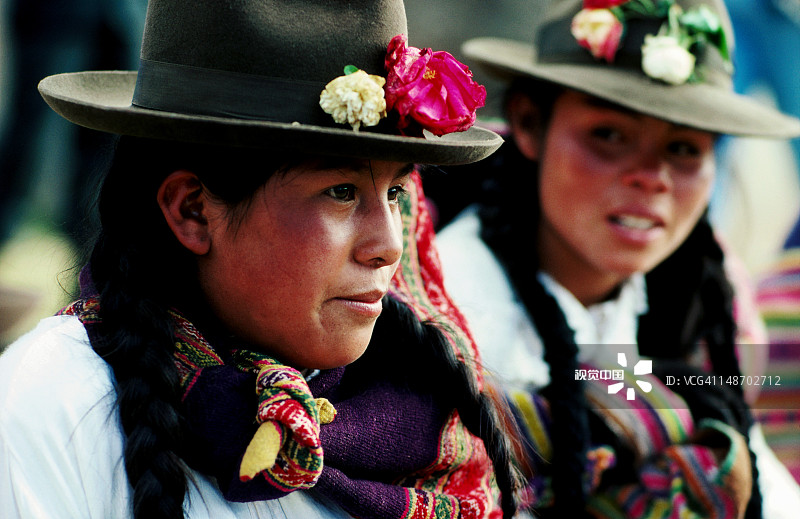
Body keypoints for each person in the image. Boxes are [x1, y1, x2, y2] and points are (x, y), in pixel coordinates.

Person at [0, 1, 521, 518]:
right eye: (341, 191)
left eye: (395, 193)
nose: (387, 245)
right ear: (194, 211)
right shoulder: (50, 407)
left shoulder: (423, 407)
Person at [433, 0, 800, 517]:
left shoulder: (699, 307)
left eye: (685, 149)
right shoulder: (447, 312)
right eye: (608, 135)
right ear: (530, 124)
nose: (652, 177)